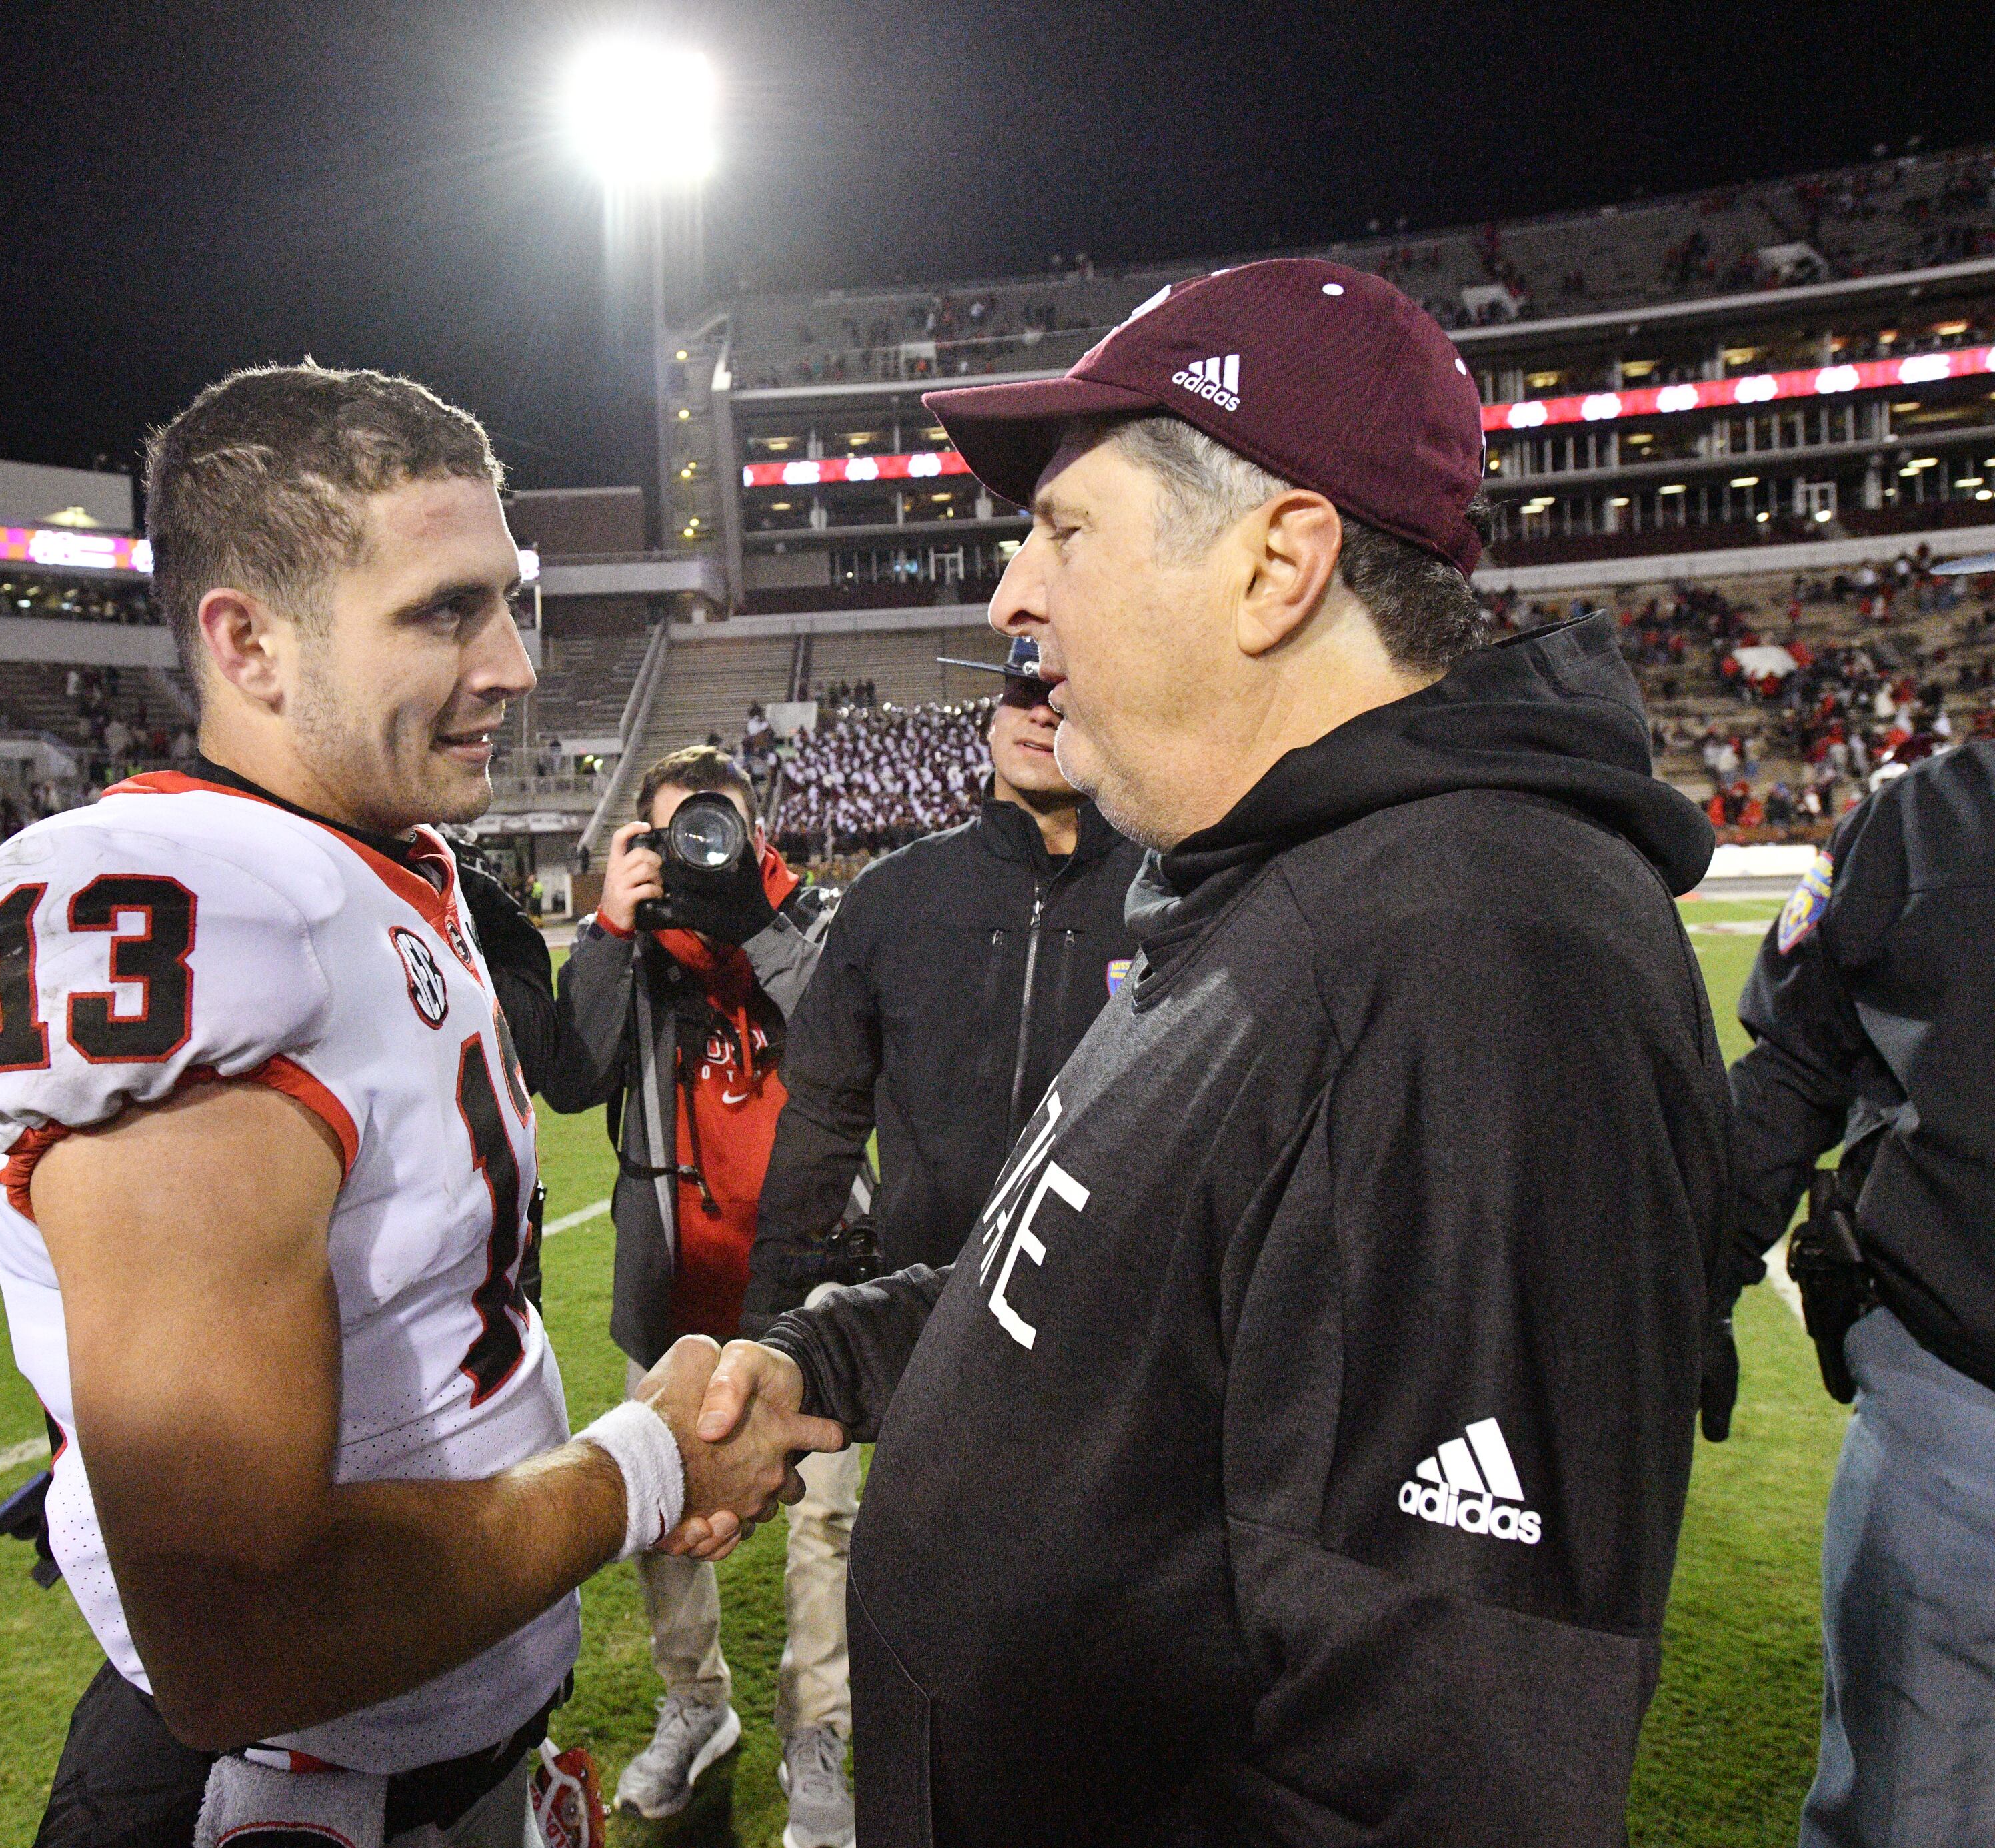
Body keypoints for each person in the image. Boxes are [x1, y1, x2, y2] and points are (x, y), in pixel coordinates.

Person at [676, 259, 1730, 1846]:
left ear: (1278, 562)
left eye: (1066, 530)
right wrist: (829, 1362)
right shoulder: (1294, 885)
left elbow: (1433, 1772)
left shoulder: (1482, 963)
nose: (1009, 598)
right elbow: (1127, 1292)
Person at [0, 365, 828, 1848]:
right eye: (444, 610)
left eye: (505, 599)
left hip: (447, 1765)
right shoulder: (182, 906)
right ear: (249, 642)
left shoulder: (387, 860)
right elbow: (232, 1626)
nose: (516, 662)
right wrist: (647, 1463)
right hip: (281, 1796)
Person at [740, 632, 1144, 1842]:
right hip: (906, 1337)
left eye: (1058, 682)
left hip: (1108, 1339)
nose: (1032, 706)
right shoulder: (893, 900)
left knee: (1085, 1613)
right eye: (1013, 686)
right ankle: (827, 1749)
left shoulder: (1173, 890)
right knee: (868, 1565)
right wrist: (775, 1321)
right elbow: (820, 1127)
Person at [546, 744, 861, 1831]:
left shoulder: (811, 919)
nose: (700, 849)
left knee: (829, 1524)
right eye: (675, 830)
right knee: (663, 1507)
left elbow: (848, 1039)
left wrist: (752, 925)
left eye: (716, 823)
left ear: (758, 827)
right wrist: (608, 929)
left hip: (813, 1274)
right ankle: (698, 1705)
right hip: (676, 1277)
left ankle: (818, 1734)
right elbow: (572, 1075)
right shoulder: (638, 945)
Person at [1714, 738, 1995, 1847]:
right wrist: (1700, 1268)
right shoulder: (1925, 816)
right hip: (1956, 1413)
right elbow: (1793, 1066)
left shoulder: (1933, 816)